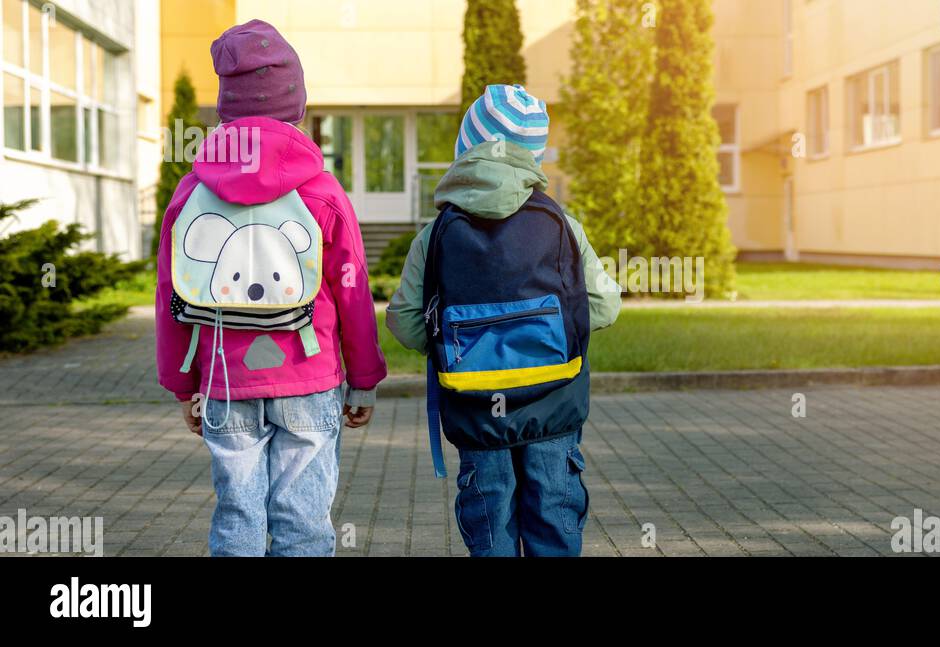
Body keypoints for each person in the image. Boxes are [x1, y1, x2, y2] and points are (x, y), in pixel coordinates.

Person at [155, 19, 386, 557]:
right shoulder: (322, 190)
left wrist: (181, 381)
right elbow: (352, 288)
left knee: (237, 515)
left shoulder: (191, 192)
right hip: (308, 375)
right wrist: (366, 379)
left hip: (224, 379)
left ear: (226, 110)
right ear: (296, 106)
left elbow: (170, 294)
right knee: (304, 519)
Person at [386, 84, 621, 556]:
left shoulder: (435, 234)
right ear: (533, 156)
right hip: (553, 410)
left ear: (465, 148)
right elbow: (604, 306)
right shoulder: (562, 224)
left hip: (477, 414)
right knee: (553, 523)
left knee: (490, 528)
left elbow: (407, 323)